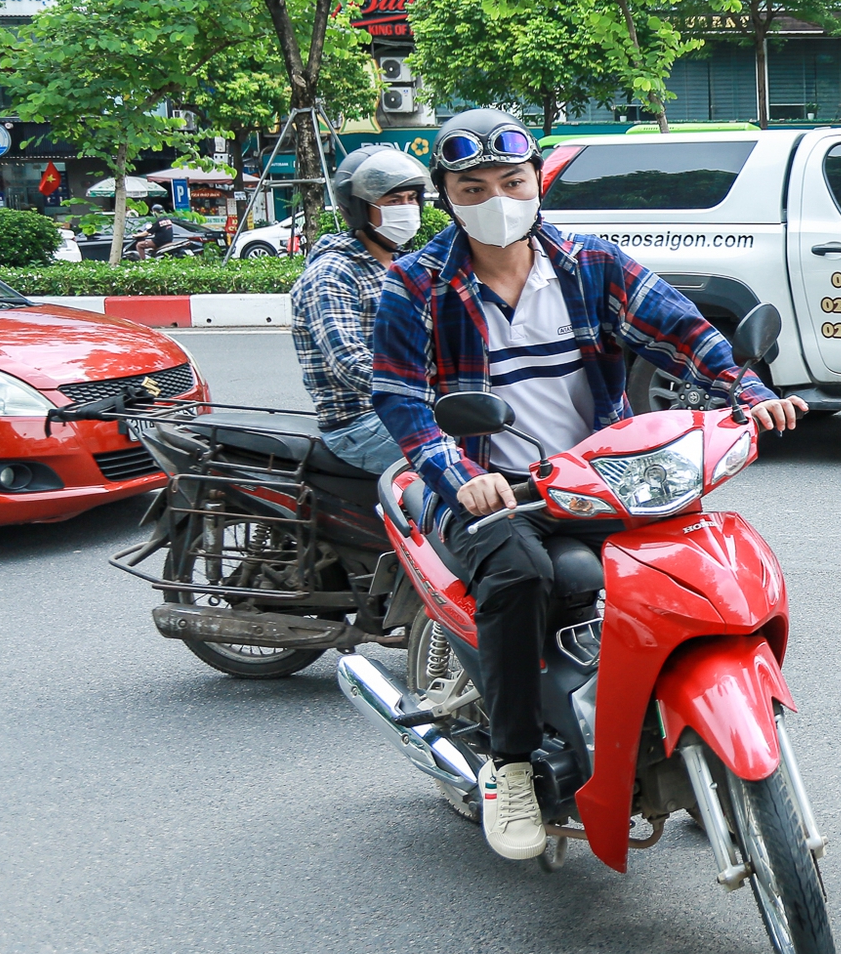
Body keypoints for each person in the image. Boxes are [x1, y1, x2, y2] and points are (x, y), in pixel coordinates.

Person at [371, 108, 806, 861]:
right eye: (473, 186)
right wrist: (460, 476)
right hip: (497, 489)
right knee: (519, 573)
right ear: (446, 194)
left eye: (511, 181)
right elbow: (403, 402)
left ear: (536, 181)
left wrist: (745, 387)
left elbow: (679, 329)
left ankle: (690, 724)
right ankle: (510, 765)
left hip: (602, 477)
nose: (497, 198)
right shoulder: (414, 287)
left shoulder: (589, 264)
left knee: (698, 565)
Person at [289, 147, 429, 474]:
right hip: (359, 423)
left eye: (411, 198)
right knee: (467, 467)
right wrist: (426, 388)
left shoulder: (402, 265)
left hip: (406, 409)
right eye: (393, 201)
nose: (407, 208)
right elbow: (348, 362)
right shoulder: (332, 274)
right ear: (358, 210)